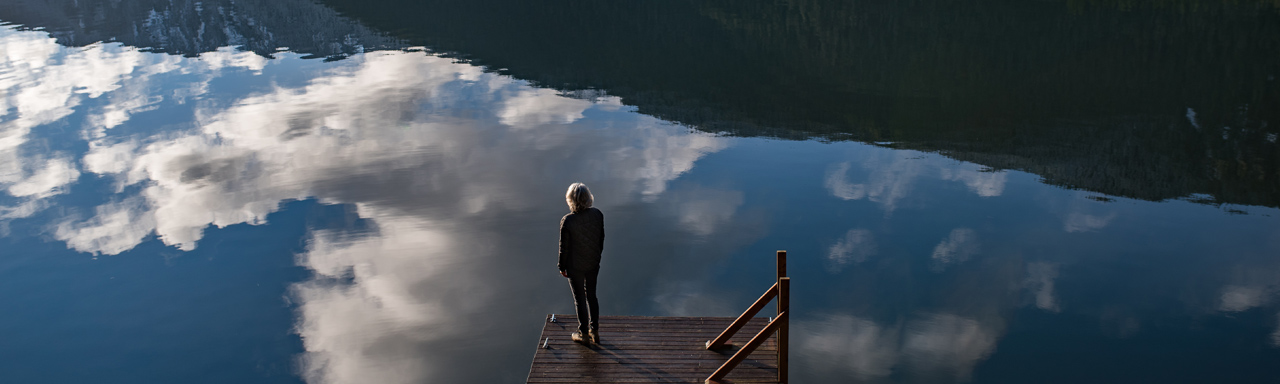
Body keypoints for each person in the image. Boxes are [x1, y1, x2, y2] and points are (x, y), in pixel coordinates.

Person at [558, 182, 604, 344]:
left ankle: (583, 334)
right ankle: (595, 331)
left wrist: (562, 267)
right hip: (593, 262)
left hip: (575, 266)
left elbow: (564, 249)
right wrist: (596, 257)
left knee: (580, 299)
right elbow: (600, 240)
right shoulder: (597, 214)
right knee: (592, 296)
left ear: (571, 200)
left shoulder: (568, 221)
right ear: (588, 198)